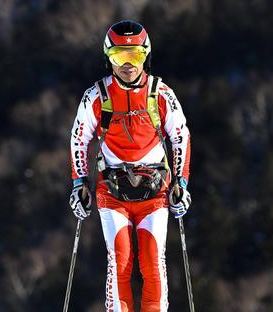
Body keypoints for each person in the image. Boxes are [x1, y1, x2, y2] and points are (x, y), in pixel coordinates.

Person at [68, 20, 192, 312]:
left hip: (154, 191)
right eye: (119, 57)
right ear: (108, 58)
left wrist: (181, 184)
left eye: (134, 56)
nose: (127, 65)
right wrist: (79, 184)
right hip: (112, 191)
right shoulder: (97, 96)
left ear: (145, 55)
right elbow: (78, 138)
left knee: (152, 262)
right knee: (120, 261)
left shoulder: (160, 94)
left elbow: (180, 135)